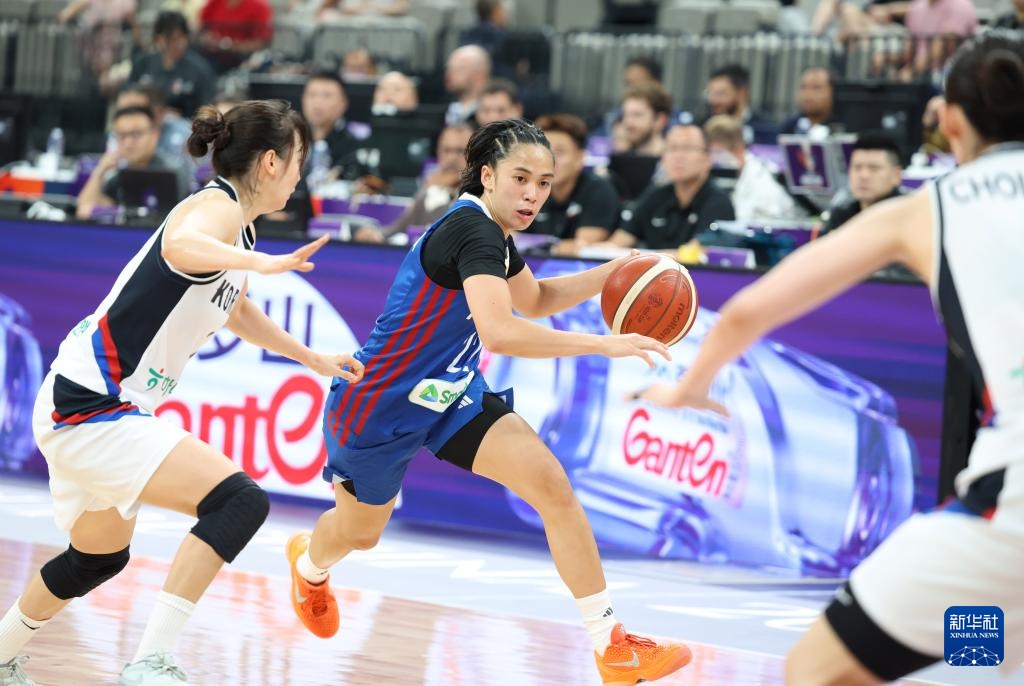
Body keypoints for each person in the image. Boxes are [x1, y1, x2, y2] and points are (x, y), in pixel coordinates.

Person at [639, 31, 1024, 685]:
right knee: (982, 635)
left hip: (1008, 503)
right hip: (994, 532)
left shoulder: (925, 211)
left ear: (951, 121)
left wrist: (689, 387)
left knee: (816, 671)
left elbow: (747, 312)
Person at [285, 119, 692, 686]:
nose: (533, 194)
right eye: (521, 178)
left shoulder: (494, 233)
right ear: (487, 175)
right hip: (381, 403)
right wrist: (605, 344)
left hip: (451, 393)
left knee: (553, 488)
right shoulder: (472, 231)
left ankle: (613, 647)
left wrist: (618, 274)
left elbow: (536, 299)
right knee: (360, 535)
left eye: (544, 183)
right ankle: (309, 565)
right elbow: (501, 332)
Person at [0, 100, 364, 686]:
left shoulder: (238, 225)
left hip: (90, 400)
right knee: (239, 502)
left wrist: (311, 358)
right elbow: (179, 246)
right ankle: (150, 661)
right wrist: (261, 262)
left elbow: (234, 308)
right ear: (271, 162)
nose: (302, 174)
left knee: (97, 557)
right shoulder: (216, 207)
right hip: (91, 403)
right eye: (299, 159)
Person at [602, 124, 735, 253]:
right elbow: (618, 243)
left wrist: (646, 258)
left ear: (708, 158)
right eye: (672, 148)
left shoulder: (719, 203)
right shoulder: (655, 196)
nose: (678, 156)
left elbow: (698, 253)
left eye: (688, 148)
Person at [352, 123, 474, 243]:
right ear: (438, 151)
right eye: (446, 150)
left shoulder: (477, 190)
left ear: (473, 154)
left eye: (460, 151)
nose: (452, 158)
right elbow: (402, 225)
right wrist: (377, 235)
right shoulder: (431, 183)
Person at [75, 105, 192, 220]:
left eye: (135, 135)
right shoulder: (120, 176)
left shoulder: (173, 172)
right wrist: (100, 170)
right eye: (122, 136)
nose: (128, 143)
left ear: (155, 135)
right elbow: (84, 210)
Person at [532, 113, 620, 253]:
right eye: (544, 151)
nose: (549, 160)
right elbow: (509, 236)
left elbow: (582, 248)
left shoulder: (599, 190)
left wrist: (534, 246)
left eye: (559, 152)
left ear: (580, 157)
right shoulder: (531, 189)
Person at [704, 115, 807, 222]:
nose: (712, 160)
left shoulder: (763, 181)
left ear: (738, 148)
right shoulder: (741, 175)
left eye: (718, 153)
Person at [128, 10, 217, 118]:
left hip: (186, 123)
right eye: (168, 39)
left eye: (178, 38)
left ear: (186, 38)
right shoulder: (143, 63)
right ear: (157, 39)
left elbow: (208, 109)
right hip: (144, 119)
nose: (173, 44)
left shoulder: (200, 69)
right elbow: (127, 96)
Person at [821, 131, 903, 234]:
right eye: (857, 167)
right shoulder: (841, 217)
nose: (864, 176)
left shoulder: (910, 217)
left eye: (874, 168)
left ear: (896, 175)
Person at [702, 64, 778, 145]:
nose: (713, 101)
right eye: (710, 93)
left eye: (721, 94)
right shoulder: (702, 127)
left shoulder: (765, 128)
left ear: (742, 93)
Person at [778, 67, 838, 136]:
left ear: (832, 91)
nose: (808, 93)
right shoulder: (789, 128)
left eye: (816, 87)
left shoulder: (842, 127)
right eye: (803, 87)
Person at [444, 45, 492, 126]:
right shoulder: (445, 112)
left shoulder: (494, 115)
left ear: (479, 75)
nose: (449, 74)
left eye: (459, 69)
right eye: (449, 69)